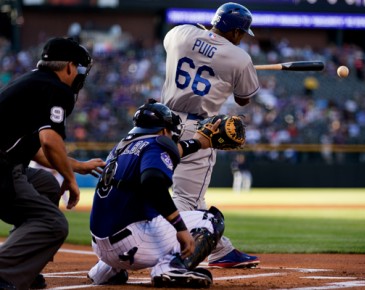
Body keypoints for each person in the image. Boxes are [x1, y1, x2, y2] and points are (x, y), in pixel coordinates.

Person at [161, 2, 260, 268]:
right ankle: (168, 254)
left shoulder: (181, 33)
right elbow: (243, 100)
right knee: (185, 199)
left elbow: (174, 49)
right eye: (242, 33)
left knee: (190, 195)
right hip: (197, 129)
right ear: (237, 32)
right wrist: (227, 69)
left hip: (160, 123)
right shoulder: (240, 58)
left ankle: (218, 250)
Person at [87, 99, 225, 288]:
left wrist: (200, 143)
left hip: (101, 246)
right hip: (132, 243)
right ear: (163, 131)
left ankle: (106, 270)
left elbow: (172, 149)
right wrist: (180, 228)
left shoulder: (123, 146)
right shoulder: (156, 144)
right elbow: (153, 183)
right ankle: (170, 267)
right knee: (211, 220)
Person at [0, 37, 100, 290]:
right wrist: (70, 179)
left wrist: (75, 166)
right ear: (69, 67)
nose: (80, 76)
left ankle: (25, 266)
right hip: (2, 169)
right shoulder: (58, 89)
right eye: (80, 69)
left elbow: (34, 149)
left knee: (45, 183)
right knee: (53, 224)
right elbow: (50, 140)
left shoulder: (31, 82)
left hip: (8, 164)